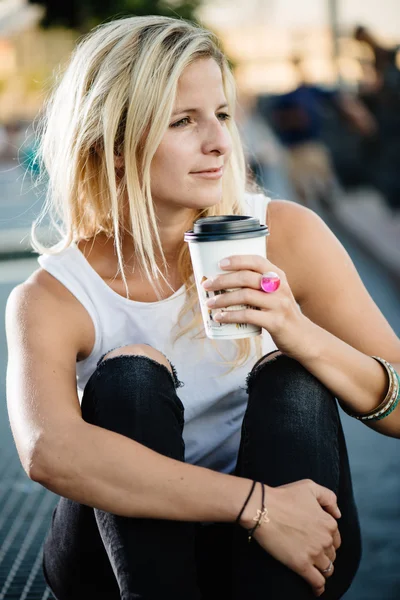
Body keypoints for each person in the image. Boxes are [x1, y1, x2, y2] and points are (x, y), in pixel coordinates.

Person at [5, 15, 400, 600]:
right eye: (182, 121)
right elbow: (48, 450)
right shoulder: (55, 294)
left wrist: (298, 332)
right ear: (113, 147)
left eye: (219, 114)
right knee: (131, 375)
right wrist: (254, 506)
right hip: (120, 561)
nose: (218, 140)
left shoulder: (287, 236)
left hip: (290, 544)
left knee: (294, 377)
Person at [268, 55, 377, 208]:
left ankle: (326, 213)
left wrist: (357, 114)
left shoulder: (313, 92)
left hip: (311, 146)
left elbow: (340, 100)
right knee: (301, 193)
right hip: (294, 150)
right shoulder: (287, 99)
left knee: (325, 187)